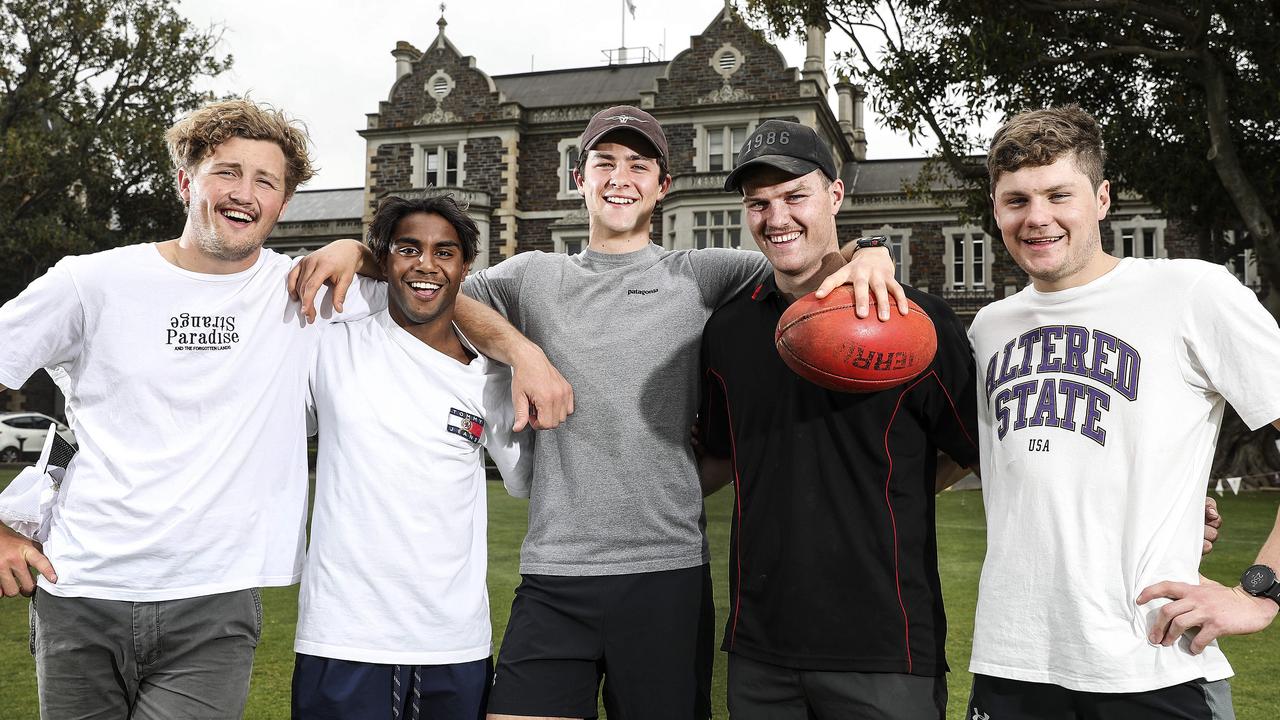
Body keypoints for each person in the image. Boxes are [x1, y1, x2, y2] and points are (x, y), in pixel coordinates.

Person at [294, 105, 904, 720]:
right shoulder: (531, 277)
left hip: (665, 572)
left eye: (639, 166)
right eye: (604, 163)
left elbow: (806, 256)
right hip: (554, 569)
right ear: (578, 178)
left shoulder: (704, 274)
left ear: (662, 187)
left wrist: (871, 249)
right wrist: (520, 348)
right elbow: (429, 284)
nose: (621, 177)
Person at [0, 98, 567, 718]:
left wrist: (520, 351)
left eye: (264, 181)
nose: (244, 193)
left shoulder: (301, 290)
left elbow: (429, 289)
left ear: (282, 203)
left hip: (214, 605)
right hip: (81, 587)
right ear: (187, 180)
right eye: (226, 172)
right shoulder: (91, 282)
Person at [965, 105, 1280, 720]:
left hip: (1153, 661)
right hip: (1013, 663)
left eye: (1060, 194)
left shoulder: (1192, 292)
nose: (1037, 218)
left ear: (1102, 199)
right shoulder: (986, 329)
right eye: (1016, 200)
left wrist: (1260, 594)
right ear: (997, 209)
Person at [696, 120, 979, 719]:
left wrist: (885, 492)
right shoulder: (727, 330)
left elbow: (979, 449)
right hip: (760, 648)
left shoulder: (915, 322)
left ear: (835, 196)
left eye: (795, 196)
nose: (777, 218)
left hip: (884, 647)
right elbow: (719, 456)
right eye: (758, 204)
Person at [291, 194, 533, 720]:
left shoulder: (491, 376)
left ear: (465, 267)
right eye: (408, 249)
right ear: (383, 259)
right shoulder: (329, 342)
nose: (426, 264)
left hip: (454, 644)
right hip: (343, 638)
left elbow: (525, 480)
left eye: (445, 252)